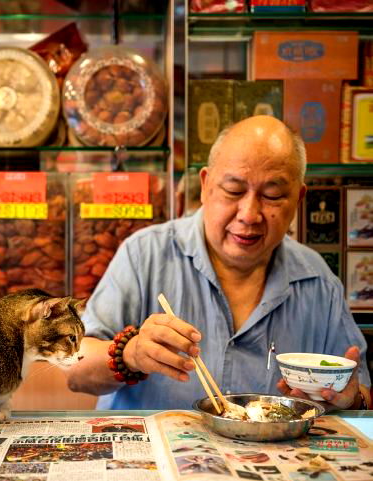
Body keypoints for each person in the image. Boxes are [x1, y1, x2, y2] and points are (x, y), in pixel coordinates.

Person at [65, 115, 371, 412]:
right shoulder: (145, 254)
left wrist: (352, 401)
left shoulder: (317, 281)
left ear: (299, 199)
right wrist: (130, 354)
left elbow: (361, 394)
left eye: (273, 195)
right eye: (233, 191)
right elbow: (76, 371)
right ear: (206, 185)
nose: (249, 214)